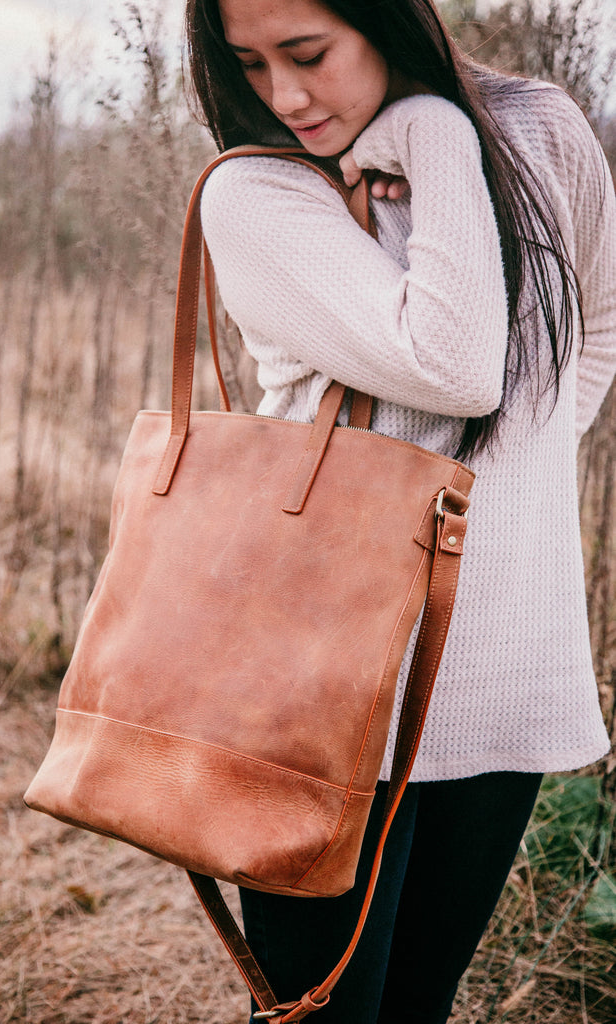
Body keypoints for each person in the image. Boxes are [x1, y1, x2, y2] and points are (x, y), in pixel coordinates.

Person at [184, 1, 616, 1021]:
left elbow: (594, 326)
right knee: (319, 1011)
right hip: (318, 686)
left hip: (504, 658)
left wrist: (515, 478)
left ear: (388, 19)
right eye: (249, 63)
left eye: (308, 53)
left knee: (421, 999)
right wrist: (434, 129)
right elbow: (457, 364)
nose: (285, 97)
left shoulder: (544, 131)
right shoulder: (259, 189)